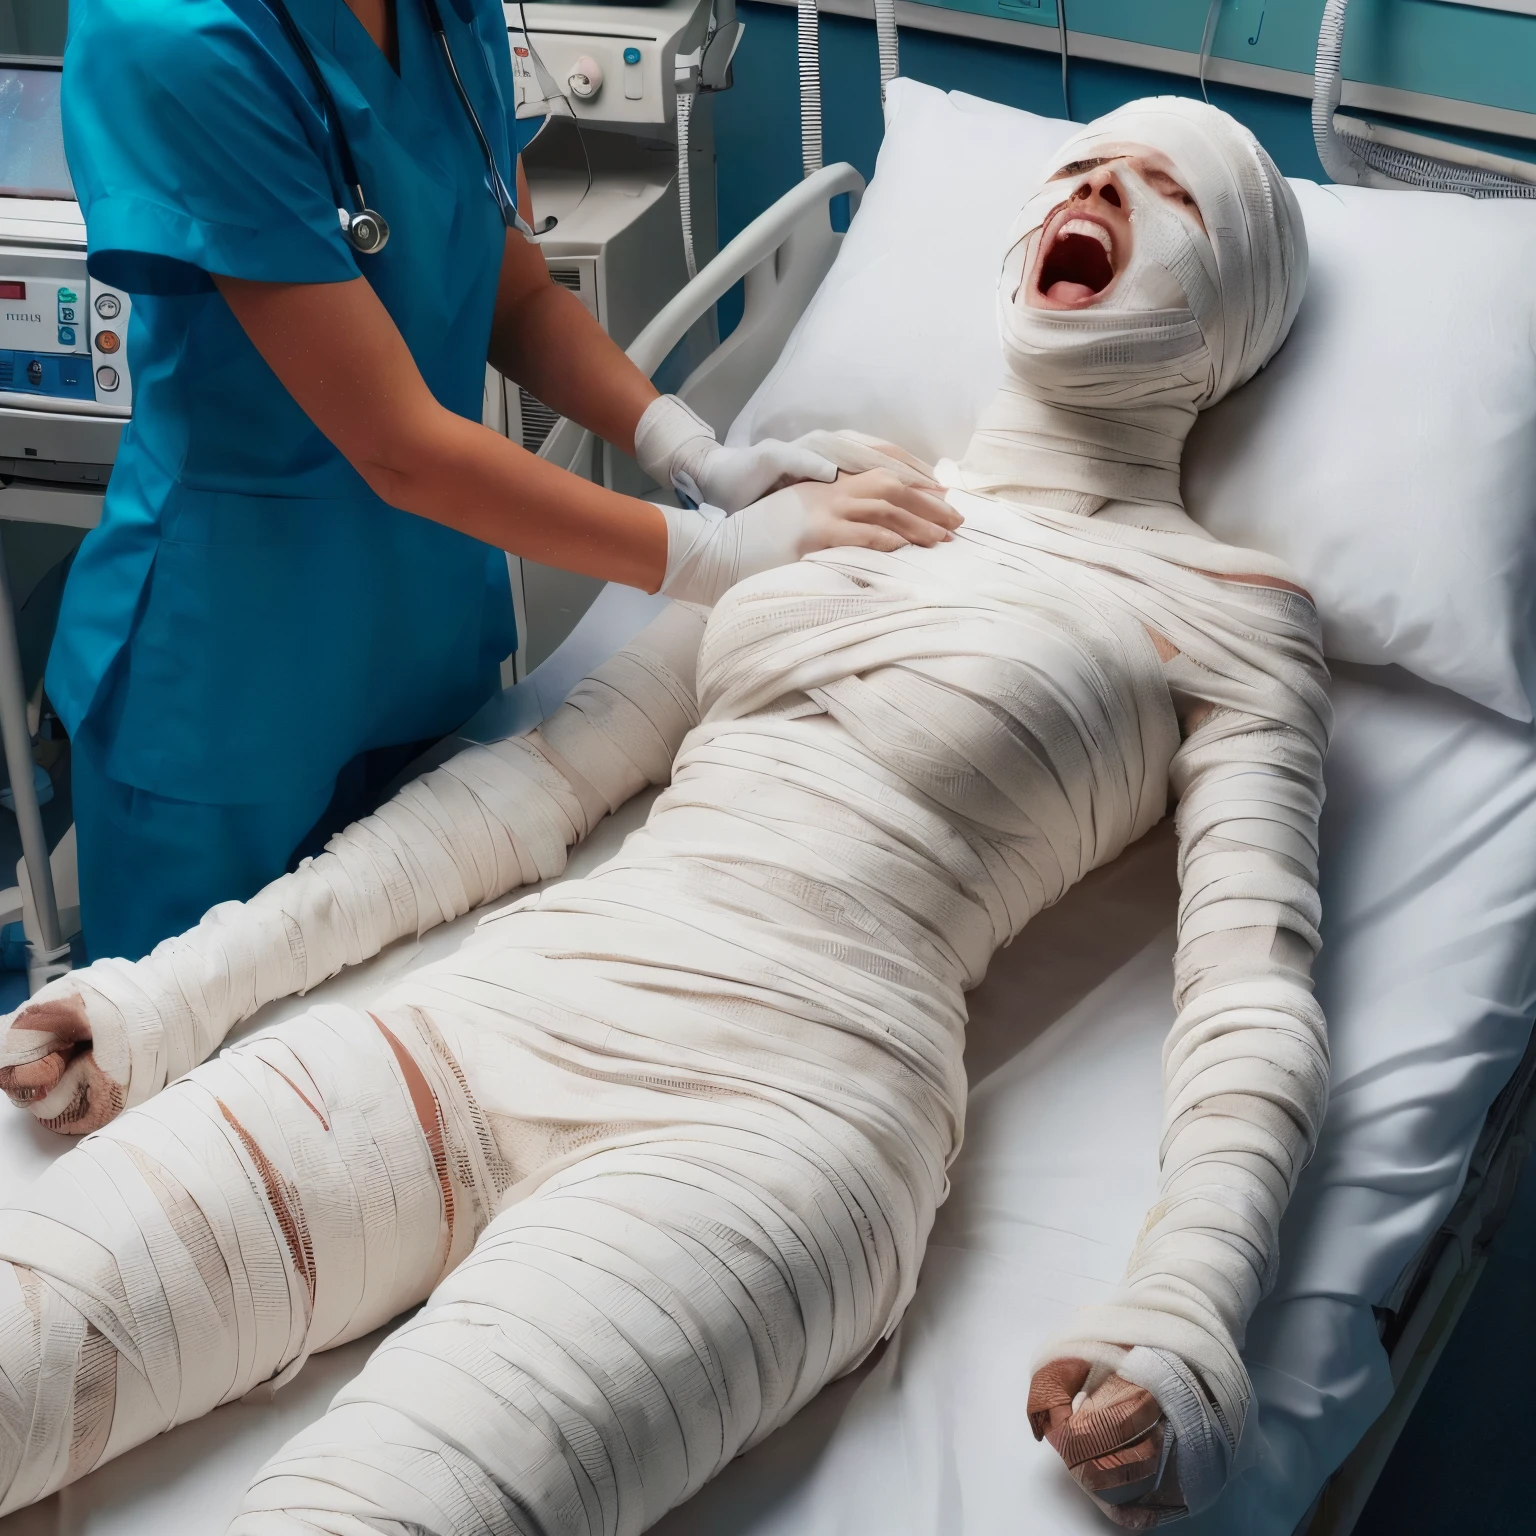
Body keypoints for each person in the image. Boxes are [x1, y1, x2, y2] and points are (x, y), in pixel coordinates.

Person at [0, 98, 1327, 1530]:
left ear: (1234, 299)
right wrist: (175, 993)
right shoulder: (834, 504)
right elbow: (533, 786)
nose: (1103, 194)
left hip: (787, 1123)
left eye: (1161, 193)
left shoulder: (1232, 617)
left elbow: (1250, 1000)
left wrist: (1189, 1308)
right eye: (1082, 170)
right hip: (520, 997)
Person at [51, 0, 954, 963]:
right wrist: (712, 555)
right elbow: (396, 443)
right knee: (184, 1063)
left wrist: (688, 449)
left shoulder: (447, 13)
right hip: (228, 690)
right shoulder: (174, 38)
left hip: (419, 641)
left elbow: (512, 291)